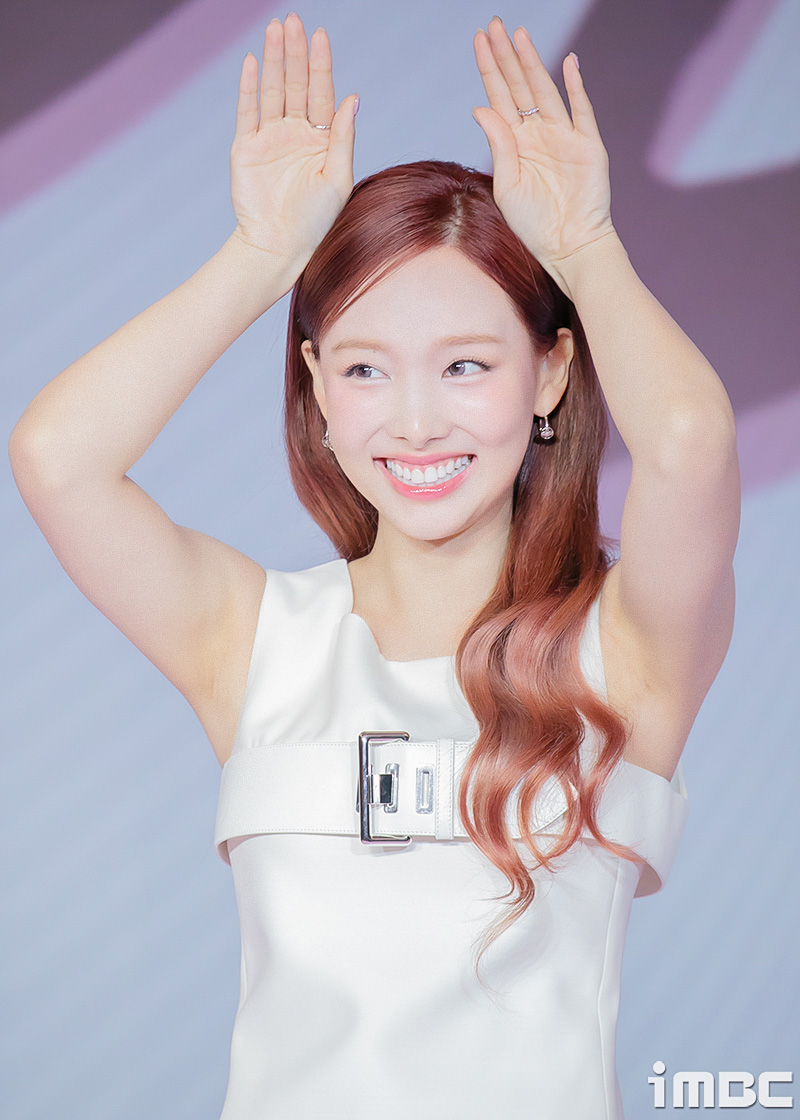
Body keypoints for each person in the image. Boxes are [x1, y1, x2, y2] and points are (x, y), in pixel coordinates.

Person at [8, 13, 740, 1120]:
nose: (414, 421)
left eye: (464, 365)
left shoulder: (627, 648)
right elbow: (57, 457)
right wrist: (260, 258)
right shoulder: (254, 638)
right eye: (363, 369)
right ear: (314, 385)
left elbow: (688, 444)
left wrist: (588, 250)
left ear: (550, 373)